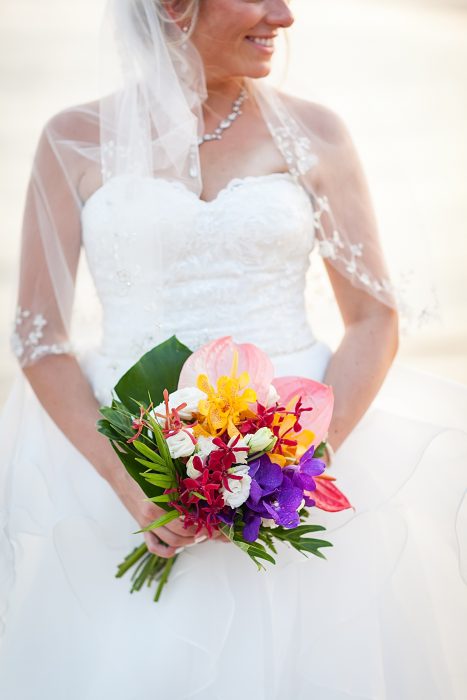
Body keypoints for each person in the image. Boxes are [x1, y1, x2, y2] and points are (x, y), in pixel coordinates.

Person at [0, 1, 466, 698]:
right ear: (172, 6)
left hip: (300, 446)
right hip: (127, 455)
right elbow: (41, 340)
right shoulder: (73, 140)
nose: (283, 15)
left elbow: (371, 318)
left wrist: (295, 465)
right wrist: (134, 487)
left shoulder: (314, 132)